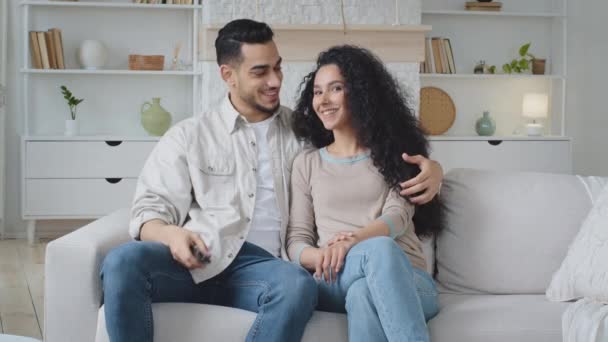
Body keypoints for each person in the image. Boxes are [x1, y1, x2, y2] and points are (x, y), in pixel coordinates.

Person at [100, 19, 443, 342]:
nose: (276, 80)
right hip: (202, 257)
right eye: (260, 71)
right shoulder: (190, 136)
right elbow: (149, 209)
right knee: (121, 261)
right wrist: (170, 233)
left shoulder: (305, 134)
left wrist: (432, 169)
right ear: (228, 75)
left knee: (298, 286)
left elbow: (363, 149)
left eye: (278, 67)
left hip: (266, 270)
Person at [287, 45, 443, 342]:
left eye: (335, 89)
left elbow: (397, 216)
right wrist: (323, 256)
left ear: (360, 93)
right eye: (318, 92)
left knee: (365, 288)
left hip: (409, 279)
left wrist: (351, 242)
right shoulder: (306, 164)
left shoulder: (397, 155)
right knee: (376, 255)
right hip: (334, 277)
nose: (324, 100)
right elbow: (296, 240)